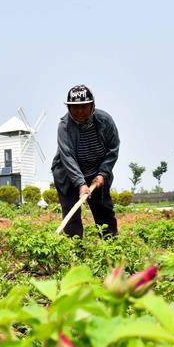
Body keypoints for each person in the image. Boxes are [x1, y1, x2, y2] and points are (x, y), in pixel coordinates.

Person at [51, 84, 120, 238]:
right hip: (68, 176)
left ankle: (112, 249)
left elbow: (113, 149)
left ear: (92, 106)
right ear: (69, 108)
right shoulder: (64, 127)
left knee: (104, 212)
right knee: (71, 217)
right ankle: (76, 253)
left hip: (96, 173)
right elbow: (67, 157)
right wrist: (80, 183)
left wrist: (103, 173)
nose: (80, 111)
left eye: (84, 106)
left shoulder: (105, 121)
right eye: (75, 108)